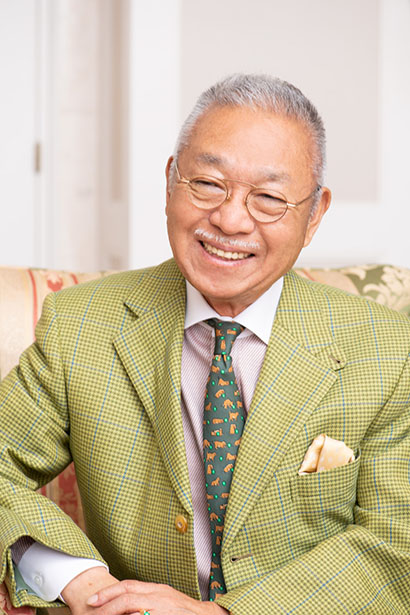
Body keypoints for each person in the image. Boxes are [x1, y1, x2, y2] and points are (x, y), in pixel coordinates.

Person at [0, 73, 409, 615]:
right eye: (209, 184)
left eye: (269, 198)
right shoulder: (81, 325)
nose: (230, 219)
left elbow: (396, 544)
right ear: (171, 181)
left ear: (314, 215)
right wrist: (80, 580)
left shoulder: (388, 351)